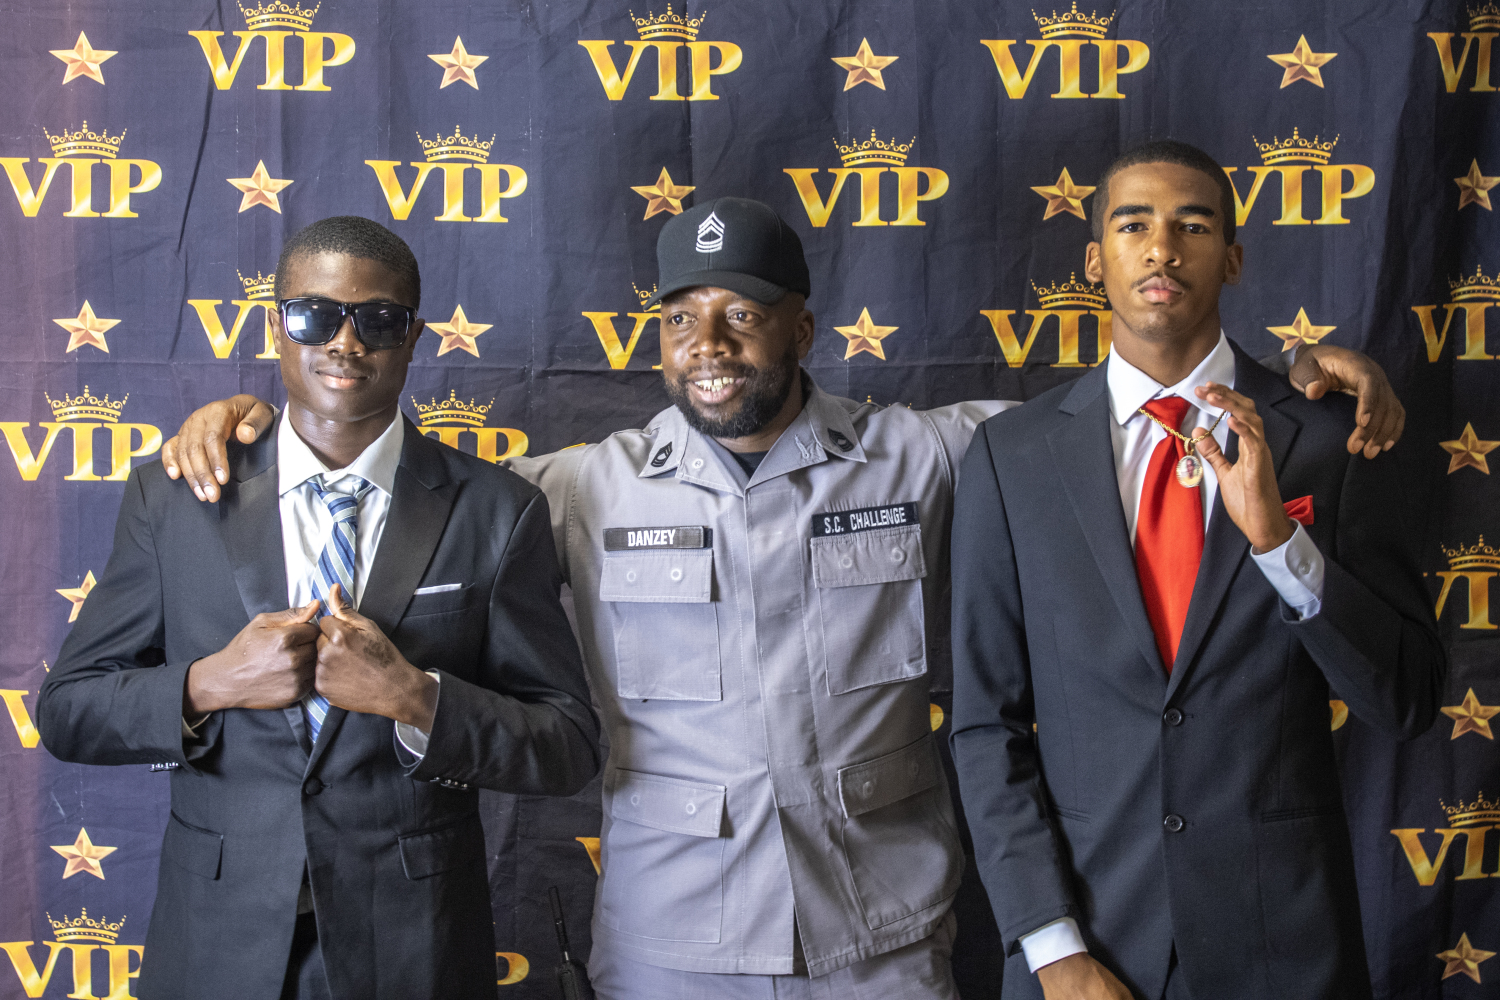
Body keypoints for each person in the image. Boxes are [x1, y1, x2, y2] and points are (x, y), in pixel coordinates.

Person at [159, 198, 1406, 999]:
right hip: (671, 948)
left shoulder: (932, 455)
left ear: (801, 328)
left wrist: (1288, 378)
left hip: (886, 941)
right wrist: (263, 428)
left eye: (744, 313)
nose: (711, 342)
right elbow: (394, 493)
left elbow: (1122, 419)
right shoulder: (572, 490)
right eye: (683, 318)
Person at [38, 217, 600, 1000]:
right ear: (276, 327)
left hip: (414, 947)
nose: (346, 341)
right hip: (217, 943)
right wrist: (211, 682)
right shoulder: (175, 497)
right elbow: (68, 711)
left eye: (379, 320)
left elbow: (568, 745)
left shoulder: (497, 510)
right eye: (315, 315)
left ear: (414, 337)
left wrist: (416, 699)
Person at [949, 141, 1447, 1000]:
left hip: (1284, 950)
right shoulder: (1011, 456)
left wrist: (1279, 546)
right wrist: (1052, 950)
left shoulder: (1332, 440)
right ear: (1094, 259)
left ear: (1234, 259)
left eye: (1193, 225)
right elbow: (985, 726)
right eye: (1132, 225)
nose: (1162, 249)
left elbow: (1406, 699)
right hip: (1086, 948)